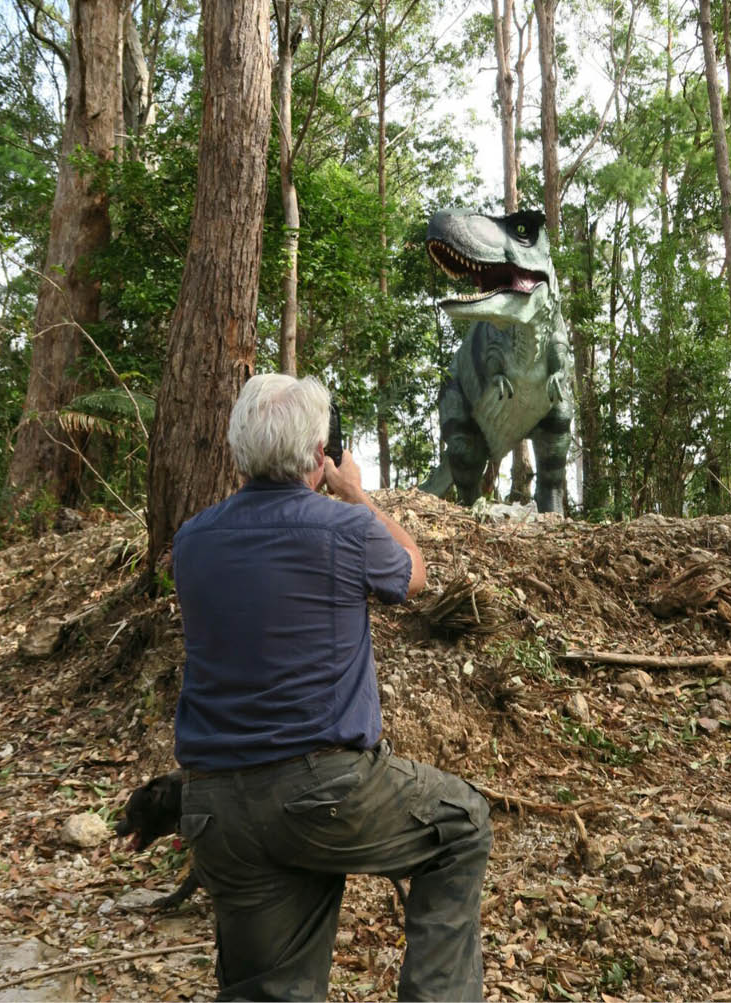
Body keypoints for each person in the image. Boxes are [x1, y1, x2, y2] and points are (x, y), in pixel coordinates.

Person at [173, 373, 492, 1002]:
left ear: (238, 451)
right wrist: (354, 493)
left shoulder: (192, 541)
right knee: (461, 825)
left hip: (215, 807)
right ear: (320, 452)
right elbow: (414, 574)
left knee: (270, 989)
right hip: (325, 793)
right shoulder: (345, 528)